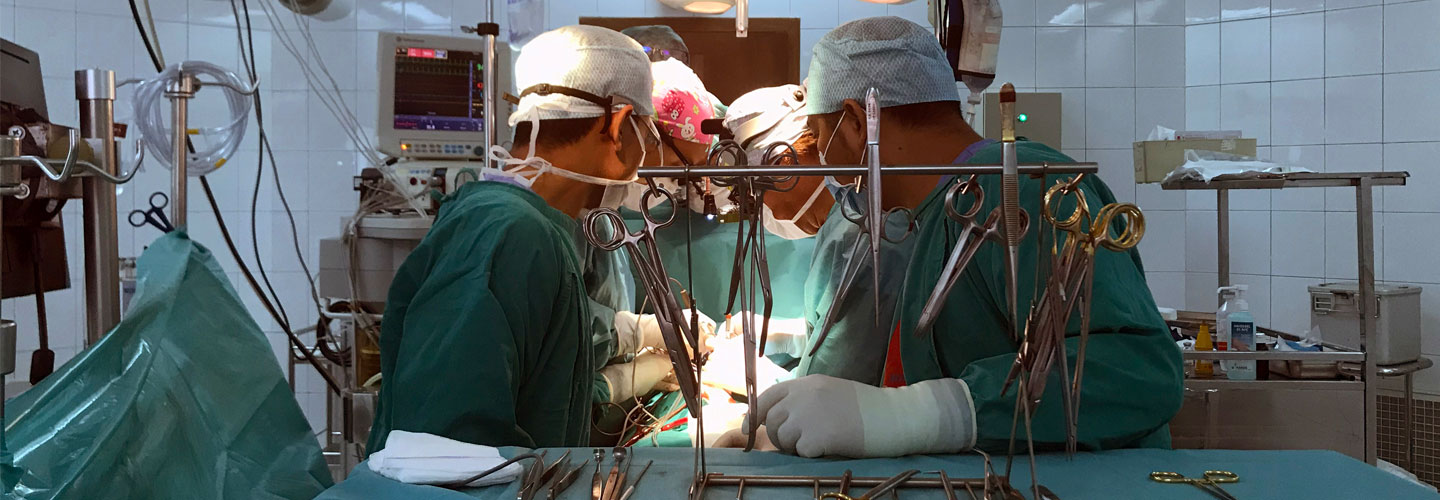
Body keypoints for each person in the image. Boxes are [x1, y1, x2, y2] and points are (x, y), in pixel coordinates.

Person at [749, 16, 1183, 458]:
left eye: (822, 137)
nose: (824, 162)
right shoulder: (932, 218)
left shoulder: (1024, 190)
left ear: (859, 123)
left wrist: (919, 414)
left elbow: (1140, 373)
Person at [368, 25, 670, 452]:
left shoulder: (527, 228)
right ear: (618, 126)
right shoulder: (508, 236)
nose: (645, 158)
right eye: (648, 135)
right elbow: (450, 453)